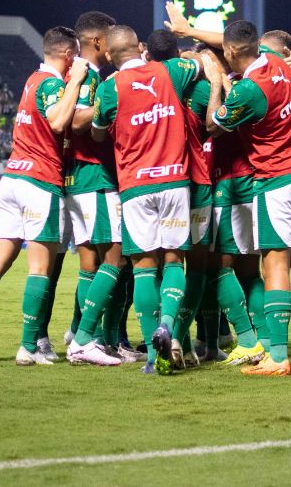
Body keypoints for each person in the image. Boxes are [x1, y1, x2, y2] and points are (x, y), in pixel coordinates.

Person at [0, 27, 87, 366]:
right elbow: (58, 121)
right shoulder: (54, 84)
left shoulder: (31, 81)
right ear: (69, 56)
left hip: (12, 177)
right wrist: (76, 81)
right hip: (39, 182)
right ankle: (28, 347)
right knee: (40, 267)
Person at [204, 20, 291, 376]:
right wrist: (192, 31)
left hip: (279, 182)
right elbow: (238, 42)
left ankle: (277, 356)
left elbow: (213, 124)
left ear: (231, 51)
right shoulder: (274, 59)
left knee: (273, 266)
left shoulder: (247, 89)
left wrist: (216, 83)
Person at [146, 30, 263, 368]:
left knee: (174, 267)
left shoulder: (163, 84)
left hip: (164, 182)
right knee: (209, 267)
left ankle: (192, 342)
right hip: (203, 183)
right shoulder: (213, 88)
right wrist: (213, 78)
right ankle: (236, 339)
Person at [92, 25, 201, 375]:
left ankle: (155, 359)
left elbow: (97, 132)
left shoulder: (110, 88)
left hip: (135, 187)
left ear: (109, 55)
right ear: (139, 46)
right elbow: (199, 62)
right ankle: (167, 326)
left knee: (143, 269)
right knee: (174, 262)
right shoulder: (171, 70)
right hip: (174, 181)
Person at [64, 12, 129, 367]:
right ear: (97, 41)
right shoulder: (90, 75)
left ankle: (80, 333)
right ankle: (86, 339)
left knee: (89, 263)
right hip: (94, 177)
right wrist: (108, 96)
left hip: (79, 178)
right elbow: (76, 120)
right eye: (110, 39)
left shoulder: (77, 73)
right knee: (116, 257)